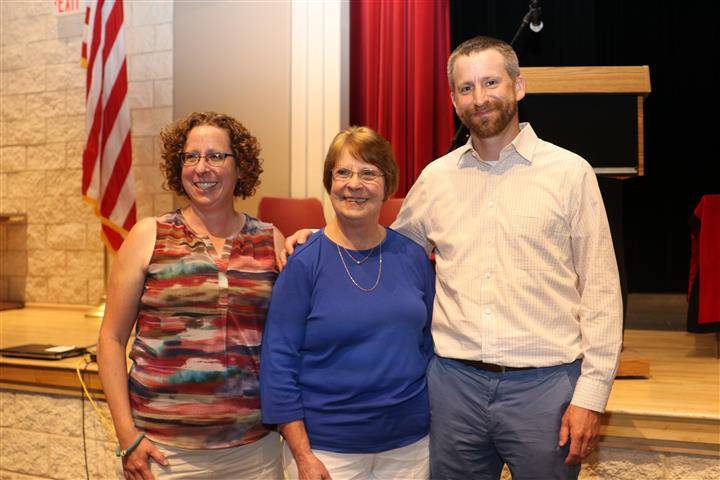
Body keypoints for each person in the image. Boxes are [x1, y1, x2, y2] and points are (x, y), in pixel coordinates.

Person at [283, 36, 623, 480]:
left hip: (545, 388)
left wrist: (590, 396)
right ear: (453, 100)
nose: (480, 98)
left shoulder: (569, 173)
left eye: (490, 83)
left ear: (518, 86)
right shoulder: (436, 178)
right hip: (453, 388)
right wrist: (320, 238)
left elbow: (601, 291)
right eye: (466, 88)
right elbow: (382, 248)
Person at [98, 111, 284, 480]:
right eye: (191, 156)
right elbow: (110, 338)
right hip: (163, 455)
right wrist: (127, 436)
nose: (202, 167)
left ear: (240, 166)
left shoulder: (270, 239)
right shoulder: (148, 235)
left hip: (255, 452)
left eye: (216, 156)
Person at [260, 126, 435, 480]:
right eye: (343, 172)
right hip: (326, 452)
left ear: (388, 185)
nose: (354, 184)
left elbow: (431, 343)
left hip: (409, 447)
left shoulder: (412, 257)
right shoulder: (303, 262)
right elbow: (278, 362)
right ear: (330, 182)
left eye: (369, 173)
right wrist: (302, 454)